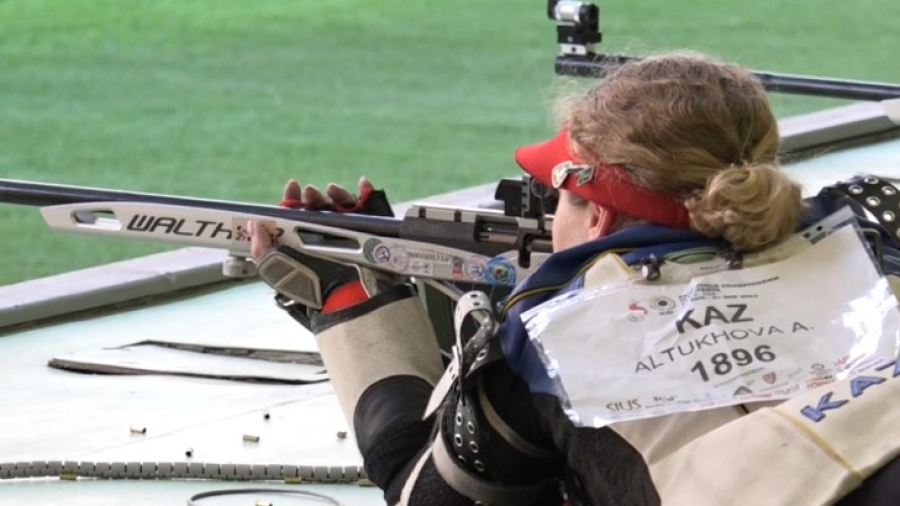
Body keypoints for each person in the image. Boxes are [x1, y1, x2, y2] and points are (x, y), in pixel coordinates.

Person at [249, 52, 900, 505]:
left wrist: (349, 294)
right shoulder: (875, 237)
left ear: (599, 215)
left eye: (559, 196)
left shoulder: (551, 334)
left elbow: (426, 493)